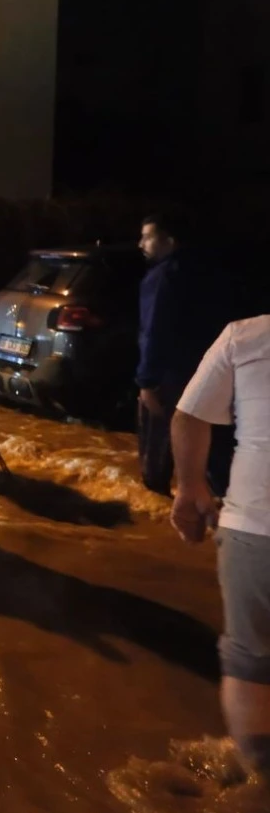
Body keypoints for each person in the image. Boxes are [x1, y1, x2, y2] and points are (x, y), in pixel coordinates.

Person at [171, 316, 270, 774]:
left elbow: (189, 415)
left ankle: (257, 786)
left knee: (250, 661)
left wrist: (190, 489)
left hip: (256, 528)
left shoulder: (246, 336)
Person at [137, 213, 236, 496]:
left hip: (170, 375)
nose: (140, 243)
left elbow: (154, 331)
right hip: (206, 369)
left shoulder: (162, 277)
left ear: (168, 241)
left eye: (147, 236)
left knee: (158, 449)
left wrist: (146, 382)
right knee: (209, 437)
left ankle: (158, 512)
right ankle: (227, 500)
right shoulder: (205, 269)